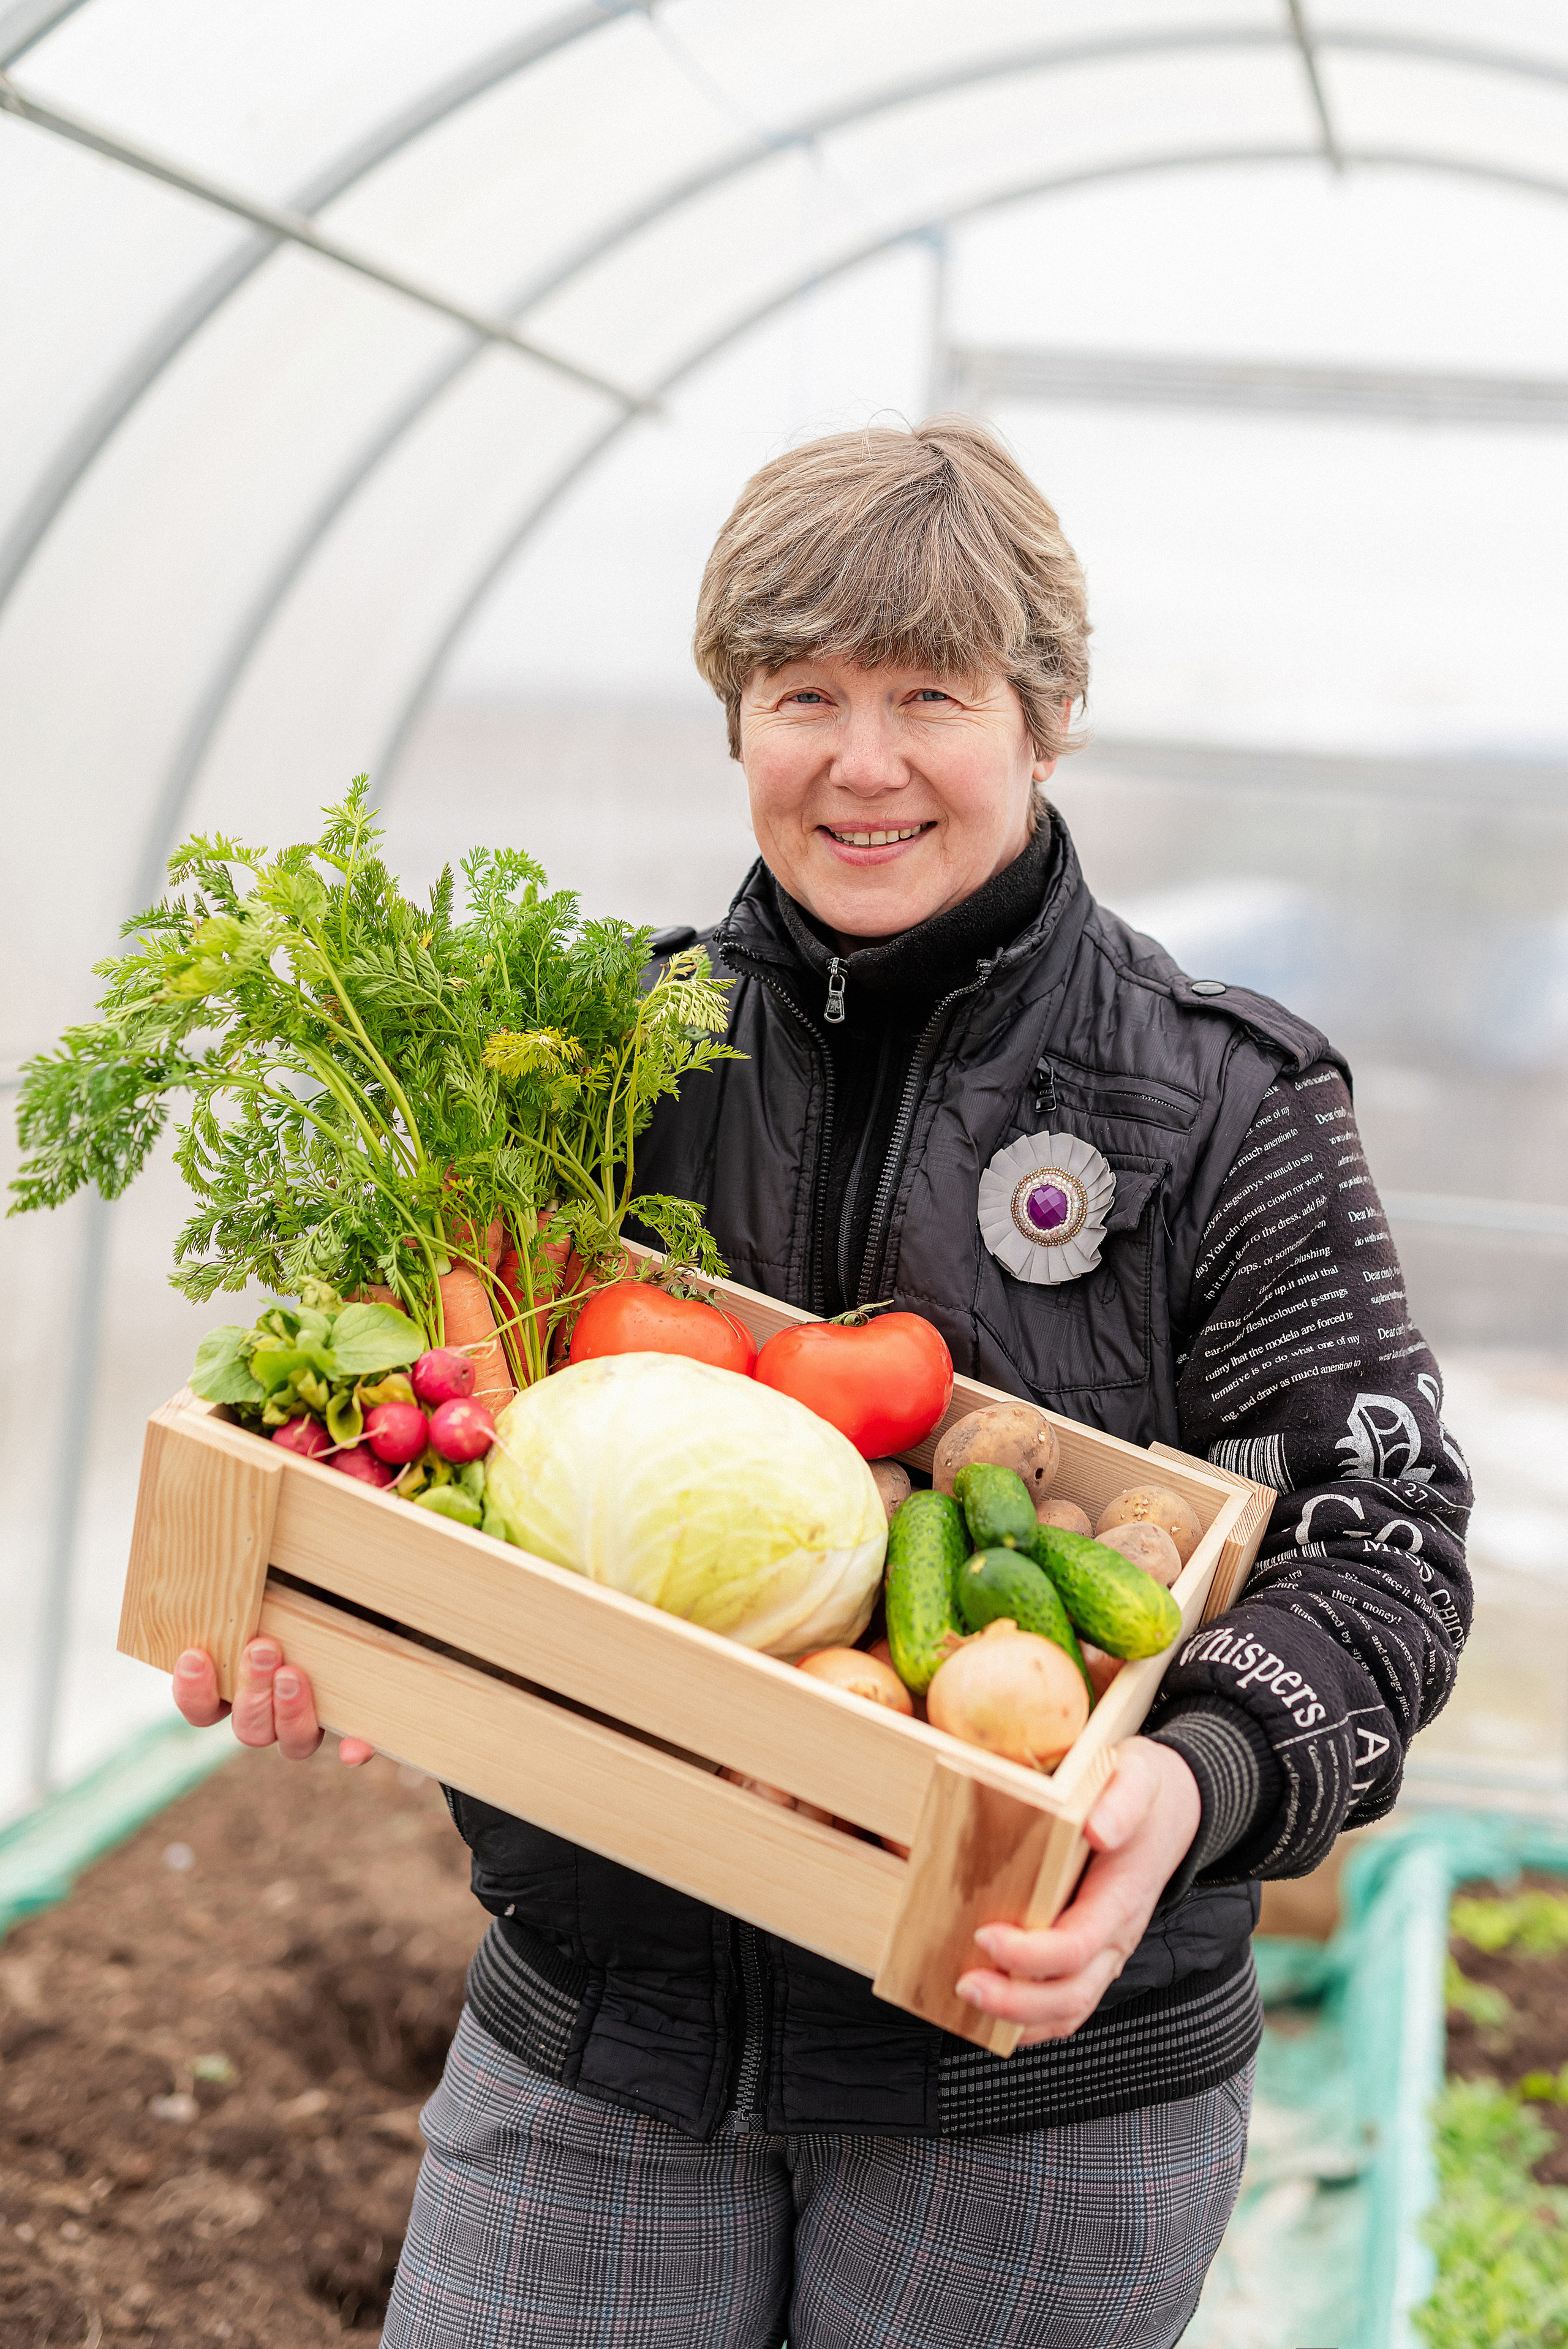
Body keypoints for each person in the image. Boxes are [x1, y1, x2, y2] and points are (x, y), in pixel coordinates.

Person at [174, 419, 1472, 2348]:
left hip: (1038, 2102)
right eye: (804, 695)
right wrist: (330, 1620)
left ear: (1044, 719)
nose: (861, 763)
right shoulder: (583, 1067)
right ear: (737, 722)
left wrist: (1187, 1790)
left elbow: (1387, 1561)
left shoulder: (1228, 1108)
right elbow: (438, 1458)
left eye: (928, 694)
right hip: (598, 2048)